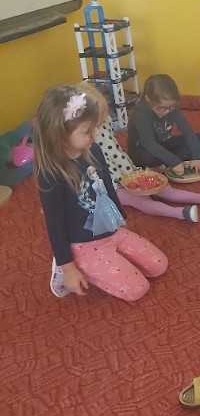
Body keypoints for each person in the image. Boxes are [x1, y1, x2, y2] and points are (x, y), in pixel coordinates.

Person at [35, 85, 168, 301]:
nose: (95, 135)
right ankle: (76, 267)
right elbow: (55, 224)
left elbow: (107, 188)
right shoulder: (51, 174)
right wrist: (68, 267)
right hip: (83, 244)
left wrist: (120, 220)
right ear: (60, 134)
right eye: (87, 131)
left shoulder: (94, 151)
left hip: (111, 230)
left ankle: (107, 261)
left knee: (159, 266)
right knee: (137, 289)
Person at [79, 83, 200, 223]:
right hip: (107, 186)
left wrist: (130, 171)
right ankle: (180, 213)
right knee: (140, 200)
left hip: (125, 170)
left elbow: (114, 149)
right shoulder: (80, 139)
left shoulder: (104, 123)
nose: (97, 127)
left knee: (161, 188)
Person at [127, 74, 200, 176]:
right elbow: (149, 143)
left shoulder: (172, 108)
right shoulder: (140, 114)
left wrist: (197, 156)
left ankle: (164, 164)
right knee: (147, 157)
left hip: (163, 143)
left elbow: (187, 131)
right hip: (143, 149)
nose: (167, 111)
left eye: (171, 107)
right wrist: (174, 162)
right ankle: (169, 162)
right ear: (148, 100)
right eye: (161, 108)